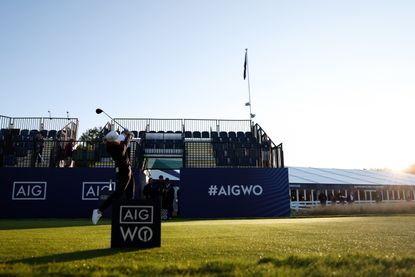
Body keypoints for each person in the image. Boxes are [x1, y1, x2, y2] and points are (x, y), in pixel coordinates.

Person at [92, 130, 135, 225]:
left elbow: (121, 138)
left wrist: (125, 133)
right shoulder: (118, 149)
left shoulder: (112, 144)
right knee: (119, 193)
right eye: (116, 139)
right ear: (112, 141)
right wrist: (129, 135)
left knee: (130, 194)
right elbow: (126, 142)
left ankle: (131, 217)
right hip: (124, 171)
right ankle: (99, 211)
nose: (118, 140)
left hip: (128, 170)